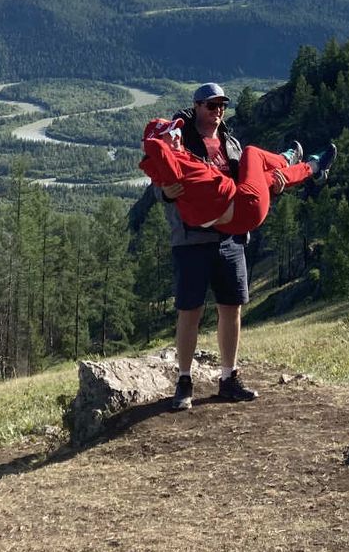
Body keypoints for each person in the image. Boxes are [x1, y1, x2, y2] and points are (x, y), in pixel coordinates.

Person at [150, 84, 267, 410]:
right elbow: (158, 179)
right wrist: (165, 193)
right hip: (192, 240)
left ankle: (228, 378)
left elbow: (246, 185)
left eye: (222, 106)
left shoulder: (231, 142)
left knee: (231, 307)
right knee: (191, 311)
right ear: (197, 106)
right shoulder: (179, 139)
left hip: (230, 238)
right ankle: (184, 381)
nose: (218, 111)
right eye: (211, 105)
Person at [140, 116, 335, 235]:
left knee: (269, 176)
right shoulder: (171, 165)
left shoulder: (180, 158)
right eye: (168, 133)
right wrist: (150, 142)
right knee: (252, 153)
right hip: (244, 205)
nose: (176, 135)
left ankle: (314, 167)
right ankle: (286, 159)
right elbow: (156, 151)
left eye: (176, 130)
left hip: (234, 223)